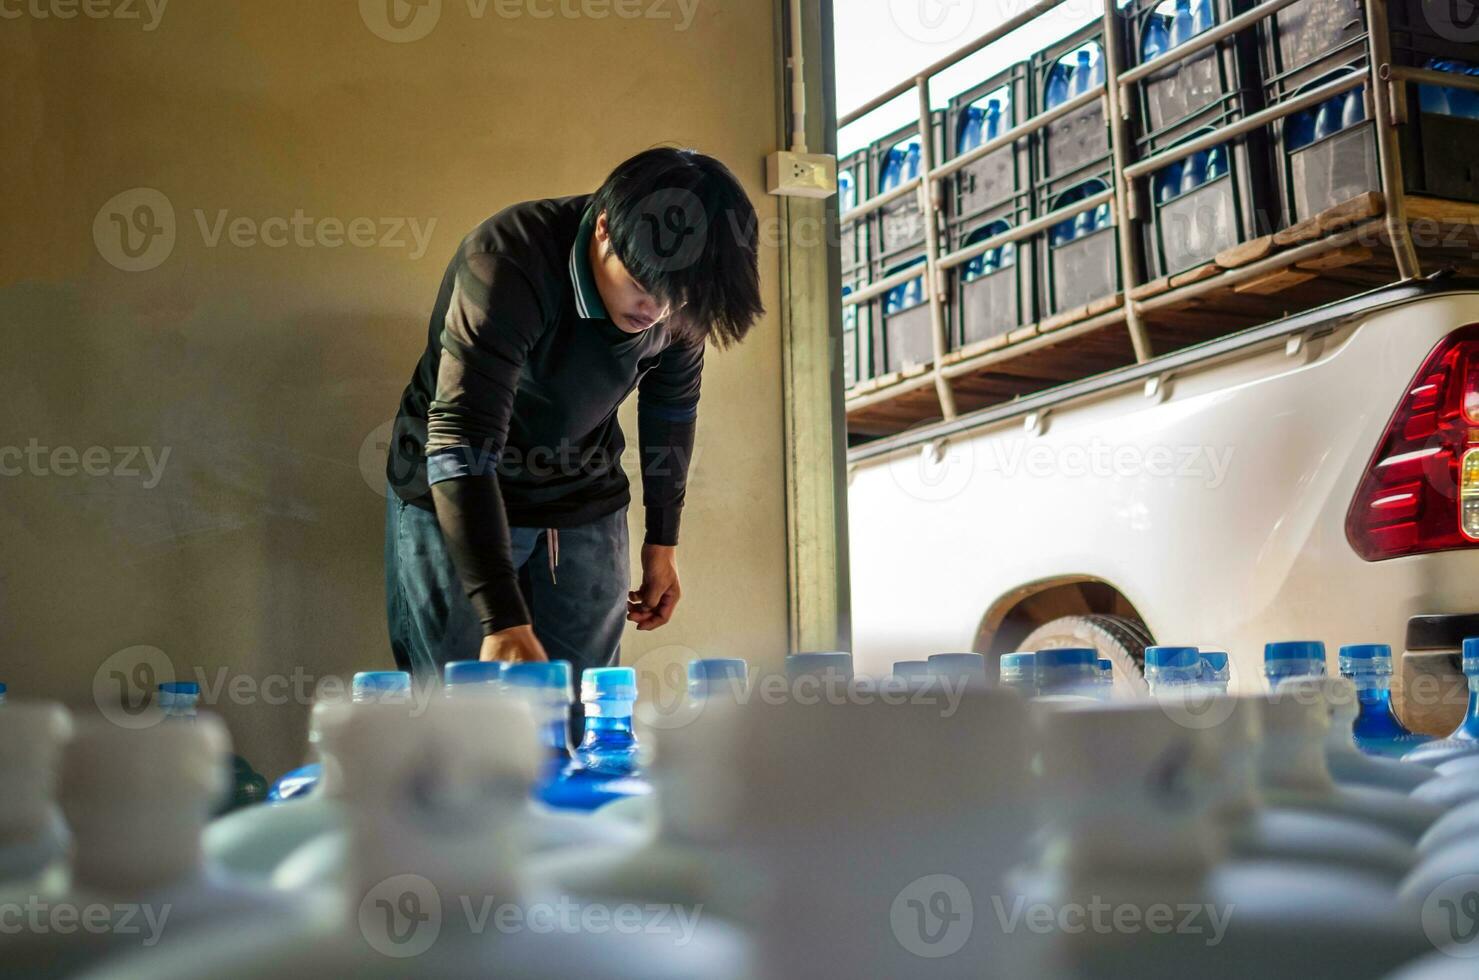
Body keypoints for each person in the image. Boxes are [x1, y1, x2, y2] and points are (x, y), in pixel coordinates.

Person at [384, 147, 763, 683]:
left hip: (581, 491)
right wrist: (501, 616)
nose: (656, 311)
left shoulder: (681, 294)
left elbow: (671, 407)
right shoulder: (506, 259)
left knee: (587, 709)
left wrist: (663, 541)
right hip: (458, 486)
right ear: (604, 231)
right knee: (462, 714)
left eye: (673, 301)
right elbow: (460, 437)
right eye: (640, 286)